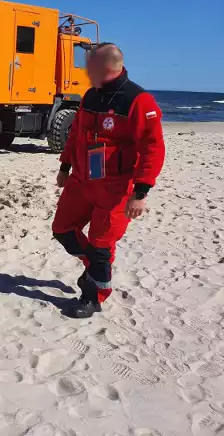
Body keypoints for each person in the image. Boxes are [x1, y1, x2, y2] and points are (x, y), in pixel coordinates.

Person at [52, 43, 166, 319]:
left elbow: (154, 147)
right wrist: (65, 165)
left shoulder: (139, 101)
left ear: (105, 67)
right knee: (62, 229)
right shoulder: (90, 96)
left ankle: (94, 297)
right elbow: (76, 133)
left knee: (101, 246)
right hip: (83, 179)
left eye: (89, 65)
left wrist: (140, 192)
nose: (85, 70)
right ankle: (94, 268)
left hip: (116, 187)